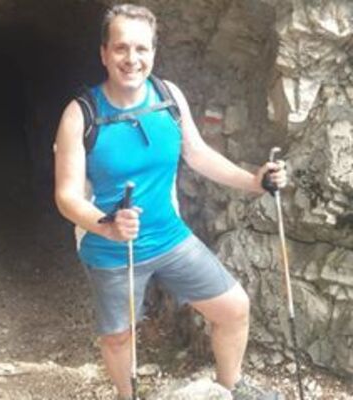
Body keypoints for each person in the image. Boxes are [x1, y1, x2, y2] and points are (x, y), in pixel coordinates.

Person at [54, 4, 287, 400]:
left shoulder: (167, 96)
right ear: (104, 53)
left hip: (168, 235)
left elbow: (198, 155)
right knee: (118, 337)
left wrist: (254, 181)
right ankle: (127, 396)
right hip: (112, 249)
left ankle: (230, 389)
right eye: (121, 48)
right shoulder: (81, 115)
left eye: (141, 48)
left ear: (153, 52)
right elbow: (66, 196)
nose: (132, 59)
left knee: (233, 308)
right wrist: (107, 226)